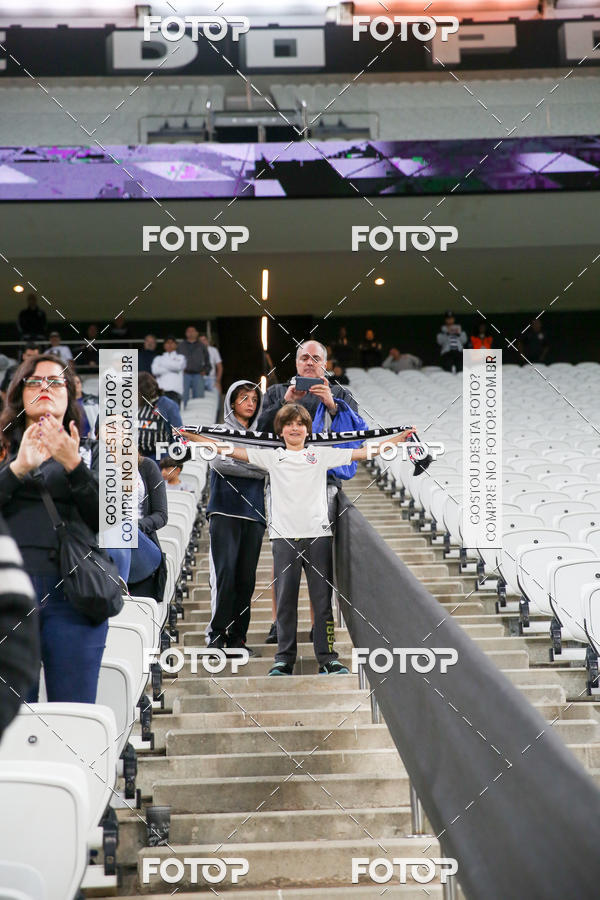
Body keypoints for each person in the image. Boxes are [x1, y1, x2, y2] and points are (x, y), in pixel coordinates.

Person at [182, 406, 415, 676]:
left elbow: (365, 452)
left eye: (300, 424)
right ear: (280, 430)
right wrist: (192, 436)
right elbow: (227, 449)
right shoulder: (272, 457)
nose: (295, 428)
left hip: (318, 537)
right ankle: (283, 659)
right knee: (285, 603)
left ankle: (328, 659)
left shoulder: (320, 454)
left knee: (322, 603)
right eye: (289, 424)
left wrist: (400, 439)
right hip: (283, 539)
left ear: (308, 429)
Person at [0, 354, 107, 703]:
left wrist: (73, 464)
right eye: (35, 380)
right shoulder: (3, 452)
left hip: (73, 597)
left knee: (73, 721)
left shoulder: (94, 450)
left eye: (55, 381)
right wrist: (17, 470)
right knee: (11, 730)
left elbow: (110, 522)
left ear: (70, 394)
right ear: (19, 393)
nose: (45, 386)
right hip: (9, 597)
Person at [258, 339, 359, 643]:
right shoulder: (277, 392)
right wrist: (285, 402)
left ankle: (320, 628)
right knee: (282, 561)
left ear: (325, 364)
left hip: (325, 485)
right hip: (284, 484)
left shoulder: (340, 393)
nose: (310, 362)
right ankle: (278, 624)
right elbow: (260, 433)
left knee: (320, 566)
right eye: (304, 357)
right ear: (296, 362)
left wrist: (331, 405)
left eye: (316, 358)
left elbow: (354, 436)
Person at [204, 381, 266, 656]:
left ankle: (238, 638)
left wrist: (241, 462)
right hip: (224, 510)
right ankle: (216, 635)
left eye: (254, 398)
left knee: (246, 579)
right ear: (232, 402)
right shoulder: (218, 431)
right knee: (225, 574)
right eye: (244, 398)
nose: (250, 403)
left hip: (254, 513)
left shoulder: (261, 436)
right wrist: (253, 463)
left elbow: (269, 468)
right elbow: (218, 462)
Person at [0, 511, 41, 739]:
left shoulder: (124, 472)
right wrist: (14, 475)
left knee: (72, 719)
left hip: (75, 588)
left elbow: (113, 526)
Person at [108, 452, 167, 600]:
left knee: (123, 528)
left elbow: (161, 515)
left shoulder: (147, 466)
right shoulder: (96, 468)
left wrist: (134, 526)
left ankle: (117, 583)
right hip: (107, 538)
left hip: (141, 539)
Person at [137, 372, 182, 459]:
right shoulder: (136, 406)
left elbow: (179, 433)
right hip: (139, 456)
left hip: (160, 456)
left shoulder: (167, 405)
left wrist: (173, 458)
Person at [177, 326, 210, 404]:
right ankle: (183, 415)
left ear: (196, 333)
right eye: (189, 331)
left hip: (198, 374)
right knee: (183, 397)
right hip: (185, 375)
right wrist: (179, 371)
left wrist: (205, 370)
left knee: (198, 398)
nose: (191, 333)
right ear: (186, 334)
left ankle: (199, 415)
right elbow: (176, 359)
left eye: (193, 331)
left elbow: (207, 360)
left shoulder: (202, 345)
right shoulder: (181, 345)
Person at [151, 335, 186, 405]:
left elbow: (178, 367)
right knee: (161, 415)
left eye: (172, 342)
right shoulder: (158, 358)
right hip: (162, 391)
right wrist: (173, 368)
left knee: (173, 415)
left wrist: (162, 364)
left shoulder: (181, 357)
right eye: (167, 343)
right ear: (164, 345)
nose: (170, 344)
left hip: (176, 391)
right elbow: (155, 371)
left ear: (176, 345)